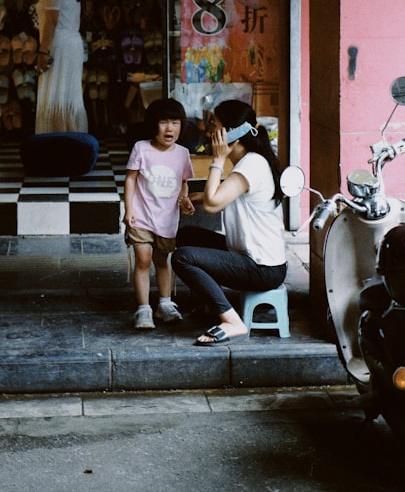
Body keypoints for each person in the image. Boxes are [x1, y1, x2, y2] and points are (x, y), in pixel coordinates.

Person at [172, 99, 287, 346]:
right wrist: (195, 197)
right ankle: (208, 305)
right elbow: (220, 196)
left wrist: (217, 159)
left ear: (232, 132)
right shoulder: (250, 162)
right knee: (187, 235)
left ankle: (231, 321)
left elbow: (214, 204)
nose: (208, 130)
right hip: (248, 256)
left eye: (214, 124)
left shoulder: (252, 164)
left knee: (182, 257)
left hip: (262, 268)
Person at [123, 98, 195, 329]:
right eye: (163, 122)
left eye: (175, 122)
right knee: (143, 259)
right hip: (141, 216)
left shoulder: (183, 153)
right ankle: (143, 309)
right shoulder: (141, 148)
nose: (169, 128)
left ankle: (165, 304)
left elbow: (183, 183)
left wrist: (184, 200)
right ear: (153, 125)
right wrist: (129, 209)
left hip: (167, 218)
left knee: (163, 261)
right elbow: (131, 178)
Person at [33, 0, 88, 134]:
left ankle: (63, 148)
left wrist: (43, 51)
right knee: (66, 101)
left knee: (56, 99)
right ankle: (72, 144)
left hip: (59, 45)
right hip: (72, 43)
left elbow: (51, 22)